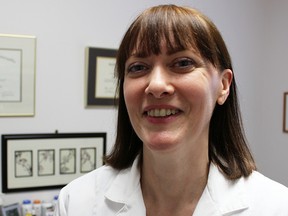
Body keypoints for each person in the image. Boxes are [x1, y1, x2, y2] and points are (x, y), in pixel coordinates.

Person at [55, 4, 288, 216]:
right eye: (138, 67)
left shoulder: (276, 207)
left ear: (223, 86)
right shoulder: (76, 203)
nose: (156, 85)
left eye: (183, 63)